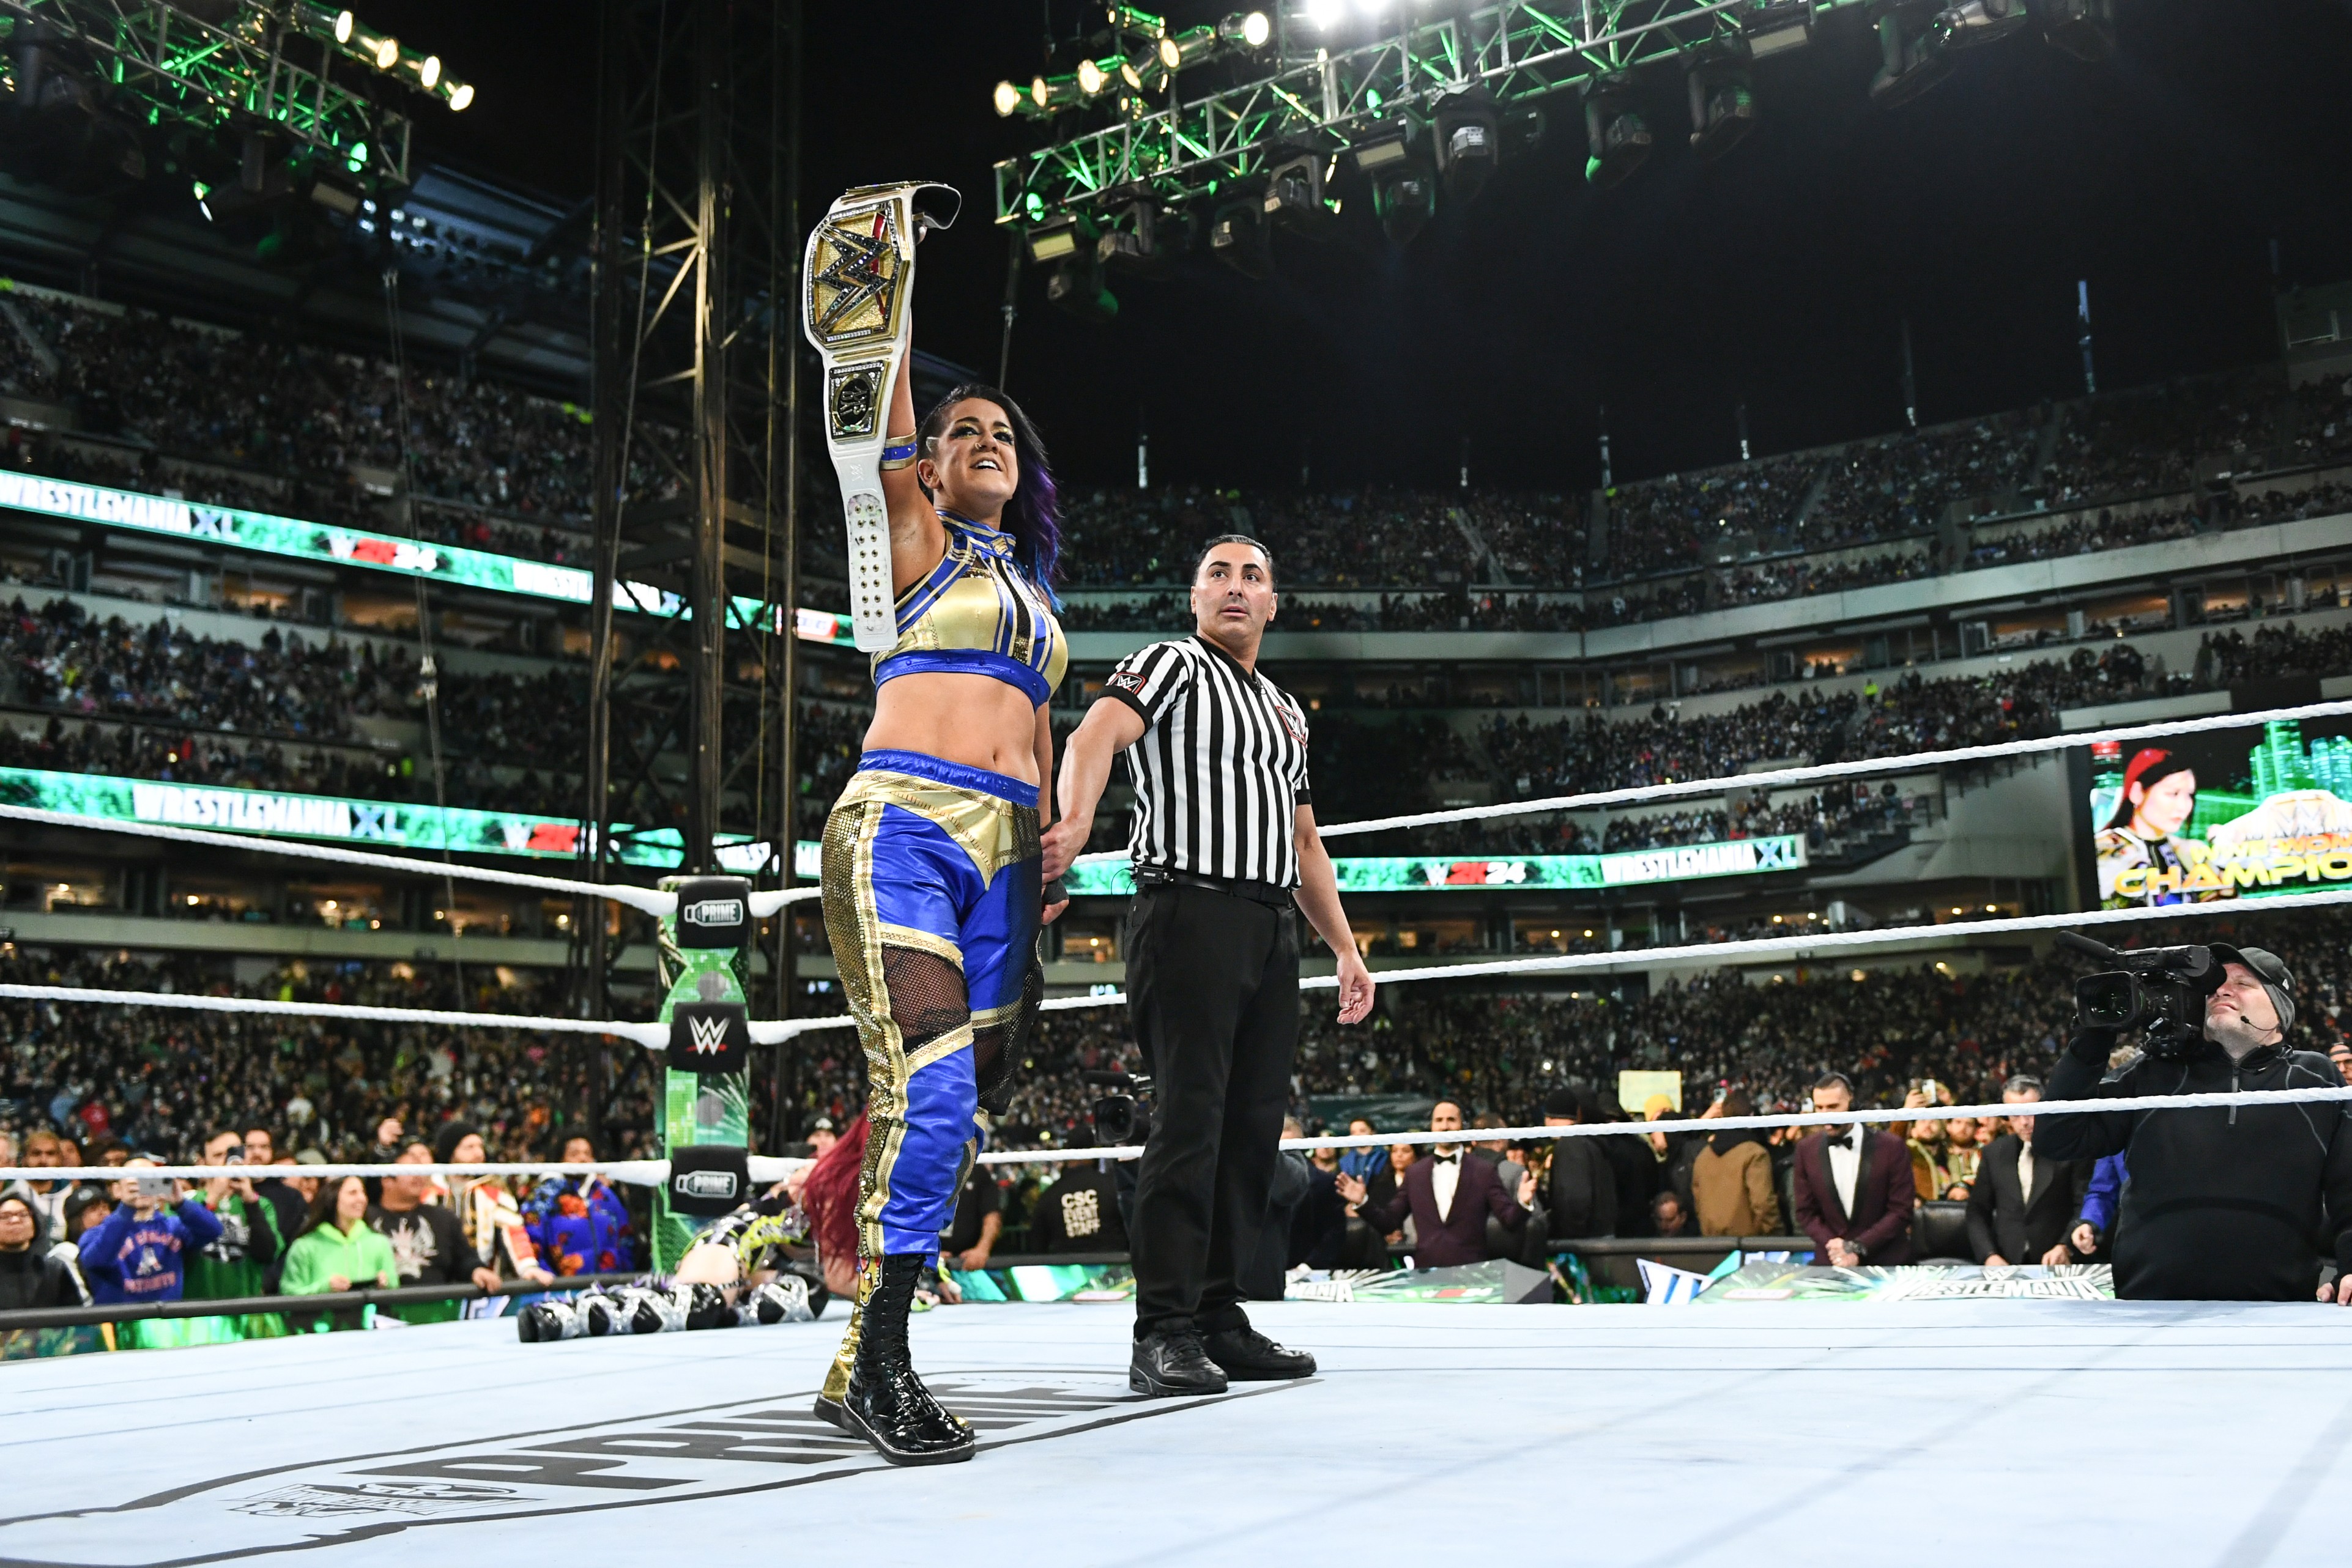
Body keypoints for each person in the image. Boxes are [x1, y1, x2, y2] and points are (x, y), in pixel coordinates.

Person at [1044, 533, 1375, 1399]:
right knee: (1189, 1121)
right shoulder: (1171, 664)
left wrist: (1345, 948)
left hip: (1270, 926)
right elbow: (1093, 735)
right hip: (1187, 909)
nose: (1234, 587)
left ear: (1272, 603)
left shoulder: (1287, 711)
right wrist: (1074, 823)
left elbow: (1305, 841)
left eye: (1251, 576)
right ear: (1195, 597)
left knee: (1252, 1131)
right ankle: (1162, 1328)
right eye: (1217, 574)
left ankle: (1220, 1314)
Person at [814, 355, 1070, 1466]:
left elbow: (1039, 726)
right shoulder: (912, 542)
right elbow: (878, 407)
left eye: (1002, 431)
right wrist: (893, 287)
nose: (986, 441)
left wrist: (1055, 843)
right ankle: (882, 1359)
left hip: (1007, 853)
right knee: (933, 1084)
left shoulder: (1036, 593)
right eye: (962, 430)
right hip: (906, 824)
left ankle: (854, 1357)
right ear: (928, 464)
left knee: (965, 1096)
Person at [2036, 944, 2352, 1302]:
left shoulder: (2315, 1077)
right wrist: (2093, 1040)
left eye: (2242, 983)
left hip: (2279, 1305)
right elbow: (2057, 1138)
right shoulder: (2153, 1071)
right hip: (2149, 1305)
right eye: (2214, 985)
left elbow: (2348, 1187)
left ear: (2280, 1008)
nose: (2221, 990)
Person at [1336, 1102, 1535, 1268]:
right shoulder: (1415, 1173)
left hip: (1472, 1271)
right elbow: (1389, 1222)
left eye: (1451, 1120)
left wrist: (1523, 1203)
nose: (1445, 1126)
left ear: (1462, 1126)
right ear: (1432, 1127)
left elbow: (1509, 1220)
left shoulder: (1484, 1170)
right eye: (1439, 1120)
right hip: (1427, 1272)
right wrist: (1363, 1202)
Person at [1965, 1077, 2092, 1267]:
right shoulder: (1994, 1153)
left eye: (2031, 1112)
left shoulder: (2070, 1149)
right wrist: (1989, 1255)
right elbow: (1977, 1211)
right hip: (2006, 1262)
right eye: (2015, 1115)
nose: (2024, 1122)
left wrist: (2065, 1246)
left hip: (2060, 1261)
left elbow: (2084, 1203)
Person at [1790, 1074, 1914, 1267]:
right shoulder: (1806, 1150)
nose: (1825, 1115)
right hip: (1832, 1263)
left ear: (1852, 1101)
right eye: (1819, 1108)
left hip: (1886, 1262)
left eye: (1833, 1107)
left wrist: (1858, 1247)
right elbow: (1805, 1213)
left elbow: (1901, 1210)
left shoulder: (1891, 1147)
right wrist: (1836, 1246)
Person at [374, 1141, 497, 1324]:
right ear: (387, 1180)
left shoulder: (443, 1218)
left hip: (436, 1315)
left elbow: (465, 1259)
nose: (418, 1176)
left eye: (421, 1170)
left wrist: (476, 1270)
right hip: (381, 1316)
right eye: (410, 1171)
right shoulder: (367, 1219)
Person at [75, 1158, 224, 1306]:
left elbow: (214, 1230)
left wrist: (181, 1203)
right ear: (118, 1190)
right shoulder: (95, 1234)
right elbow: (96, 1260)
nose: (141, 1188)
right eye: (134, 1183)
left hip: (168, 1318)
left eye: (148, 1181)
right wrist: (126, 1210)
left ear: (158, 1186)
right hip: (122, 1319)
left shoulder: (174, 1227)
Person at [2094, 747, 2214, 908]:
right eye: (2173, 794)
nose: (2184, 806)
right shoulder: (2104, 848)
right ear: (2138, 793)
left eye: (2190, 795)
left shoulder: (2189, 851)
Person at [435, 1123, 552, 1287]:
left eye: (480, 1147)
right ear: (451, 1152)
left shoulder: (493, 1189)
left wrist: (528, 1267)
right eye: (469, 1147)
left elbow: (513, 1230)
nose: (479, 1153)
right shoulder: (430, 1189)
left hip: (483, 1283)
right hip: (434, 1282)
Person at [281, 1175, 398, 1331]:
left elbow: (395, 1287)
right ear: (333, 1198)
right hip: (318, 1333)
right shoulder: (305, 1246)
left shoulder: (379, 1242)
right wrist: (324, 1288)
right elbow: (289, 1295)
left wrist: (386, 1283)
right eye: (352, 1193)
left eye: (363, 1192)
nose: (362, 1199)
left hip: (370, 1333)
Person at [183, 1130, 282, 1306]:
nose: (227, 1162)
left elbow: (267, 1255)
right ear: (204, 1163)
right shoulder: (187, 1203)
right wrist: (212, 1199)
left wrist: (250, 1202)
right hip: (198, 1310)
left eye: (233, 1153)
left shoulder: (262, 1205)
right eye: (218, 1155)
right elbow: (181, 1251)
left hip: (246, 1308)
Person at [523, 1136, 636, 1278]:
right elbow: (532, 1242)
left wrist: (625, 1277)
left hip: (610, 1284)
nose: (583, 1158)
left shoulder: (606, 1195)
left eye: (587, 1154)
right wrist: (548, 1282)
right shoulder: (544, 1196)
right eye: (574, 1154)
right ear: (561, 1159)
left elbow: (625, 1238)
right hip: (562, 1286)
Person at [1526, 1087, 1619, 1244]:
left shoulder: (1571, 1144)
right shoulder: (1593, 1143)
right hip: (1602, 1239)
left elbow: (1576, 1199)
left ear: (1549, 1118)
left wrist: (1569, 1239)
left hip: (1582, 1244)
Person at [1691, 1093, 1783, 1237]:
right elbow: (1763, 1203)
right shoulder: (1755, 1154)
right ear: (1751, 1116)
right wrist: (1777, 1234)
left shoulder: (1703, 1157)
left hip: (1711, 1242)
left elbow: (1699, 1203)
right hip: (1749, 1242)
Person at [1028, 1145, 1129, 1255]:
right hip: (1113, 1260)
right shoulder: (1112, 1186)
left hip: (1067, 1261)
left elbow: (1037, 1244)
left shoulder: (1050, 1195)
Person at [0, 1186, 81, 1310]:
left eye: (23, 1215)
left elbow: (76, 1317)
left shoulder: (55, 1271)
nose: (15, 1220)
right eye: (5, 1216)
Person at [942, 1163, 1003, 1273]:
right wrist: (926, 1252)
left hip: (970, 1260)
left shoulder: (977, 1171)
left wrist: (982, 1249)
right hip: (926, 1259)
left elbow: (992, 1215)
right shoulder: (925, 1169)